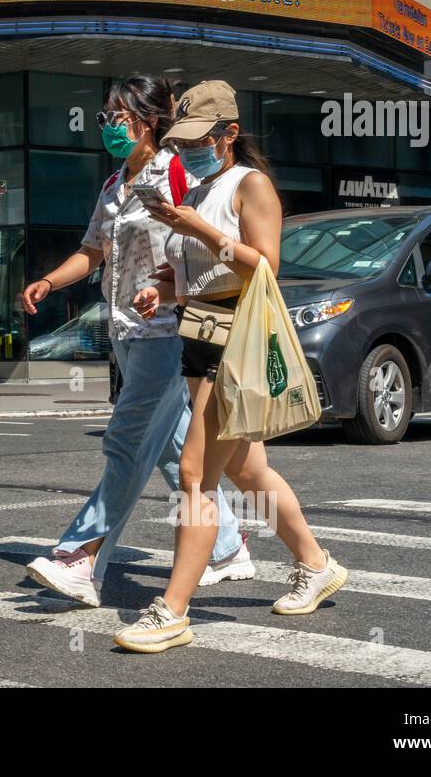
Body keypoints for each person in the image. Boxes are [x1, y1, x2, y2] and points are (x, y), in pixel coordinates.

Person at [113, 80, 347, 654]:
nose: (189, 148)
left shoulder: (250, 185)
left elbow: (263, 266)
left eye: (199, 138)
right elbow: (201, 273)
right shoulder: (198, 186)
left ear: (230, 135)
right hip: (198, 336)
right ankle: (316, 564)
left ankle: (171, 609)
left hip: (234, 342)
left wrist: (200, 230)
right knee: (248, 472)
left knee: (196, 475)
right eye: (182, 138)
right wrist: (162, 292)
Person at [19, 73, 254, 609]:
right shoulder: (112, 186)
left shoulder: (174, 171)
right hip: (126, 331)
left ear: (150, 121)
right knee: (172, 448)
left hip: (170, 331)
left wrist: (164, 285)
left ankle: (81, 555)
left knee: (126, 440)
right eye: (104, 118)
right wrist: (50, 281)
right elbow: (93, 251)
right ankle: (226, 547)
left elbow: (198, 233)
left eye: (119, 117)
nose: (108, 127)